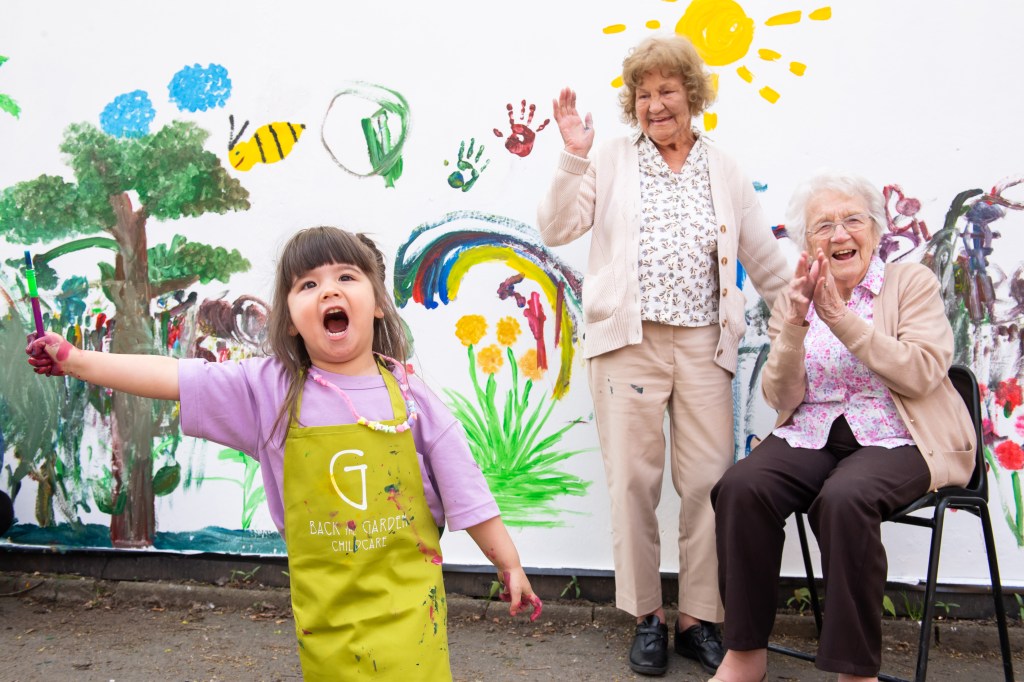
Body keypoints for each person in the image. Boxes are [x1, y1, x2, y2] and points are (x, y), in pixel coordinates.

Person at [26, 226, 542, 681]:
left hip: (411, 607)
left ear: (378, 302)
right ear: (291, 319)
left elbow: (465, 486)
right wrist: (76, 359)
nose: (328, 291)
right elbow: (173, 377)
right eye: (308, 284)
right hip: (329, 614)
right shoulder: (269, 390)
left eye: (346, 277)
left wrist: (509, 564)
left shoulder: (410, 395)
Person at [537, 34, 789, 677]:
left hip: (706, 344)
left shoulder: (722, 168)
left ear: (692, 95)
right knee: (632, 482)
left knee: (710, 484)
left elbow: (762, 257)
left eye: (667, 91)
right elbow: (558, 228)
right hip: (630, 342)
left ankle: (696, 619)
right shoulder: (614, 159)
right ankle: (646, 615)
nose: (655, 104)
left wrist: (804, 321)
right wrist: (572, 156)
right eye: (643, 94)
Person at [710, 171, 976, 682]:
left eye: (852, 220)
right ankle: (745, 654)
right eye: (823, 226)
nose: (839, 235)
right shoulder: (798, 293)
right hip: (813, 431)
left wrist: (841, 320)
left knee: (845, 498)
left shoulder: (910, 283)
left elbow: (923, 372)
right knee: (741, 487)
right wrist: (792, 326)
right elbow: (779, 395)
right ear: (809, 243)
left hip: (901, 434)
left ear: (875, 230)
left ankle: (854, 671)